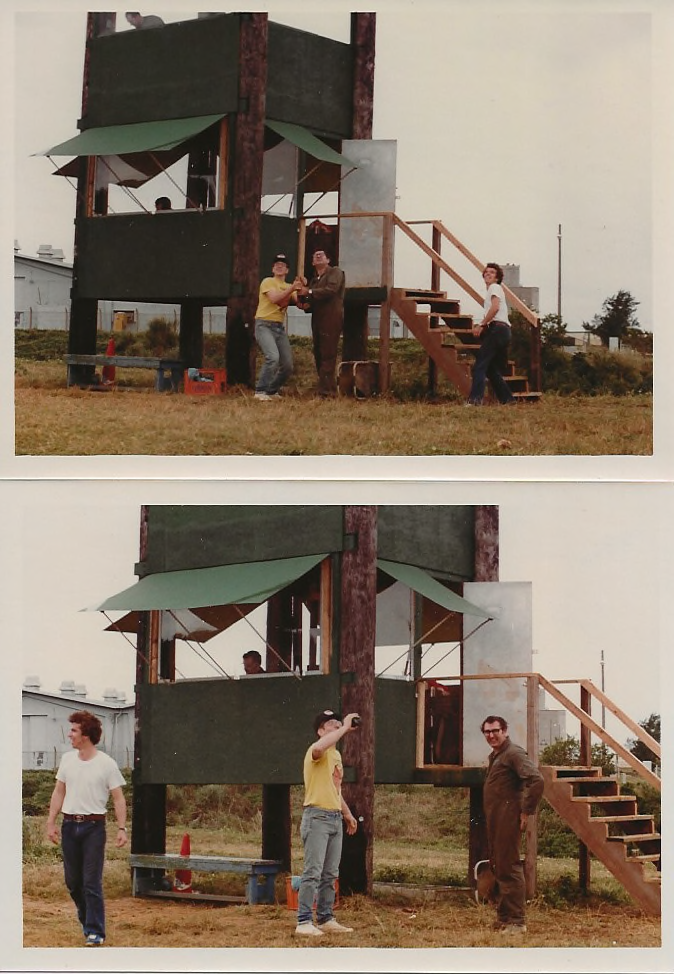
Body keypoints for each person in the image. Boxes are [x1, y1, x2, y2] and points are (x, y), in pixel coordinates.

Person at [45, 710, 128, 947]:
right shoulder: (67, 760)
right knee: (73, 882)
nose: (69, 734)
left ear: (86, 735)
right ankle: (86, 921)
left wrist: (121, 828)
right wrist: (51, 821)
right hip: (70, 826)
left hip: (94, 827)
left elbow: (118, 799)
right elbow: (59, 791)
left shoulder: (106, 764)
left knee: (91, 881)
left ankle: (96, 931)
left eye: (74, 730)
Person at [295, 709, 359, 937]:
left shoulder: (336, 757)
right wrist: (343, 728)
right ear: (320, 730)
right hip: (317, 817)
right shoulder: (317, 751)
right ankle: (303, 921)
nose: (335, 726)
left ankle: (325, 917)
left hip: (333, 818)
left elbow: (335, 789)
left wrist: (347, 814)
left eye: (337, 723)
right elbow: (319, 748)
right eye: (330, 724)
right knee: (313, 871)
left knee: (330, 873)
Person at [481, 714, 544, 935]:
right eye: (487, 732)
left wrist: (526, 811)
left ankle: (517, 922)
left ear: (505, 730)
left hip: (508, 818)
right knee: (499, 864)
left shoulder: (513, 753)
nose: (491, 736)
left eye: (495, 731)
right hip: (496, 818)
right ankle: (504, 917)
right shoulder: (496, 756)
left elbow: (536, 780)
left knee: (510, 867)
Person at [253, 254, 304, 401]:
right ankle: (260, 391)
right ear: (272, 269)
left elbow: (302, 304)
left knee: (287, 366)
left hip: (279, 328)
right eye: (276, 264)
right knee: (273, 357)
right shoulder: (268, 282)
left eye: (283, 264)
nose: (279, 265)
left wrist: (303, 288)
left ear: (287, 270)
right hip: (264, 324)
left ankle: (271, 391)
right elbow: (275, 298)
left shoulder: (290, 287)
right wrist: (292, 288)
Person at [297, 250, 345, 397]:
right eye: (315, 255)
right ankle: (328, 390)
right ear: (312, 262)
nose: (318, 255)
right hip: (317, 319)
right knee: (318, 353)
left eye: (322, 254)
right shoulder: (313, 281)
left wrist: (309, 292)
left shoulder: (335, 272)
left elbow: (331, 290)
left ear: (328, 259)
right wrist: (302, 301)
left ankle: (325, 391)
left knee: (328, 354)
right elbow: (309, 303)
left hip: (331, 318)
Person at [467, 262, 516, 405]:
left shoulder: (495, 287)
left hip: (498, 329)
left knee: (480, 366)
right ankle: (508, 400)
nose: (488, 274)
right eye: (486, 272)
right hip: (503, 331)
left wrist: (481, 324)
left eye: (492, 272)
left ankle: (475, 400)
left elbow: (495, 308)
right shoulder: (494, 289)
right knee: (491, 368)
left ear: (497, 277)